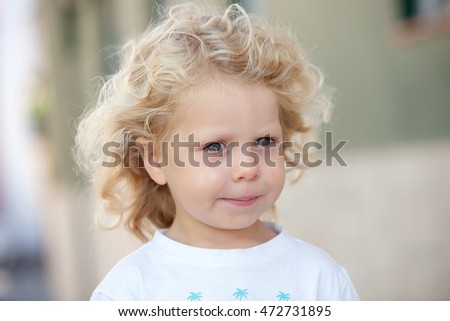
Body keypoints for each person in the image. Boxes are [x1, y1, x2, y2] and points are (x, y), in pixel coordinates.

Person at [75, 3, 359, 301]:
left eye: (264, 142)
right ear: (156, 159)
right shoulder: (130, 292)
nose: (248, 168)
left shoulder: (320, 280)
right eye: (214, 147)